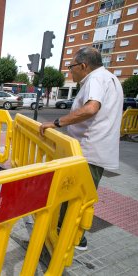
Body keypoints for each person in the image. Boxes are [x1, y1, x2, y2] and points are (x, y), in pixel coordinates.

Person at [39, 47, 123, 250]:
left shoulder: (95, 79)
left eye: (71, 66)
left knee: (76, 196)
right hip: (95, 150)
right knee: (79, 196)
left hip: (88, 150)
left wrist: (57, 122)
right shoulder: (109, 79)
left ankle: (70, 240)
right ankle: (69, 235)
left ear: (83, 66)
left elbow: (91, 107)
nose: (70, 71)